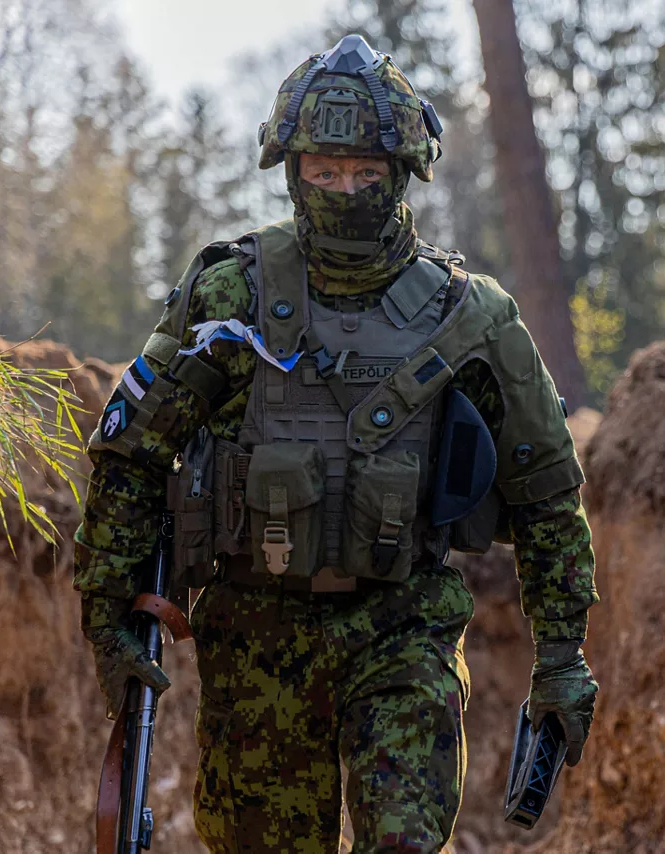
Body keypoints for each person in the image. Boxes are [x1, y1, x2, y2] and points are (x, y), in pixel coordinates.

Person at [73, 33, 598, 853]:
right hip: (254, 633)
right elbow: (132, 456)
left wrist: (562, 655)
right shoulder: (230, 293)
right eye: (324, 171)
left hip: (404, 624)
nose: (345, 189)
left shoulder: (473, 318)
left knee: (404, 841)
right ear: (292, 171)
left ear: (400, 173)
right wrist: (110, 620)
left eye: (365, 172)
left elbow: (546, 495)